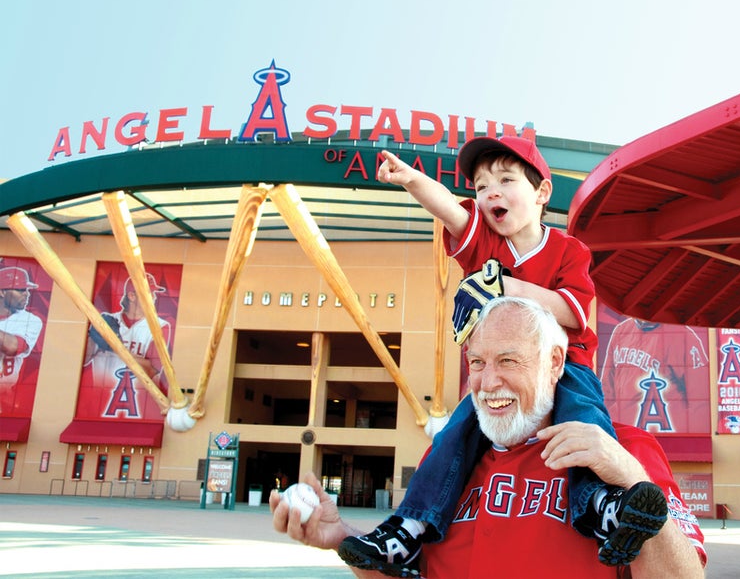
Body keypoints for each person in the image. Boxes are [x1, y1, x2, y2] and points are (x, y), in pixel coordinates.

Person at [339, 135, 641, 576]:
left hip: (565, 368)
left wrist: (508, 288)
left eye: (505, 179)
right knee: (452, 439)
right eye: (481, 187)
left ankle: (599, 503)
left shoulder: (568, 250)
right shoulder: (484, 242)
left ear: (541, 193)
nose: (490, 192)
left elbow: (573, 313)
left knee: (585, 424)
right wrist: (410, 179)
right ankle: (409, 528)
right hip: (503, 372)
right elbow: (447, 207)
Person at [271, 297, 707, 578]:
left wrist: (631, 477)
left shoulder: (622, 448)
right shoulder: (446, 462)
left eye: (508, 360)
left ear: (555, 362)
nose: (487, 381)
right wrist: (339, 536)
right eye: (477, 362)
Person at [80, 273, 170, 420]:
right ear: (132, 296)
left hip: (139, 406)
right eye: (149, 293)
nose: (154, 298)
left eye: (154, 293)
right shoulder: (109, 321)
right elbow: (83, 361)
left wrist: (117, 347)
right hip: (99, 401)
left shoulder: (160, 327)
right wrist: (92, 337)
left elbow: (153, 371)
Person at [0, 266, 44, 413]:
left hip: (4, 394)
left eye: (27, 290)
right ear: (2, 292)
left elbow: (13, 347)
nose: (26, 294)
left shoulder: (30, 320)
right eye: (20, 290)